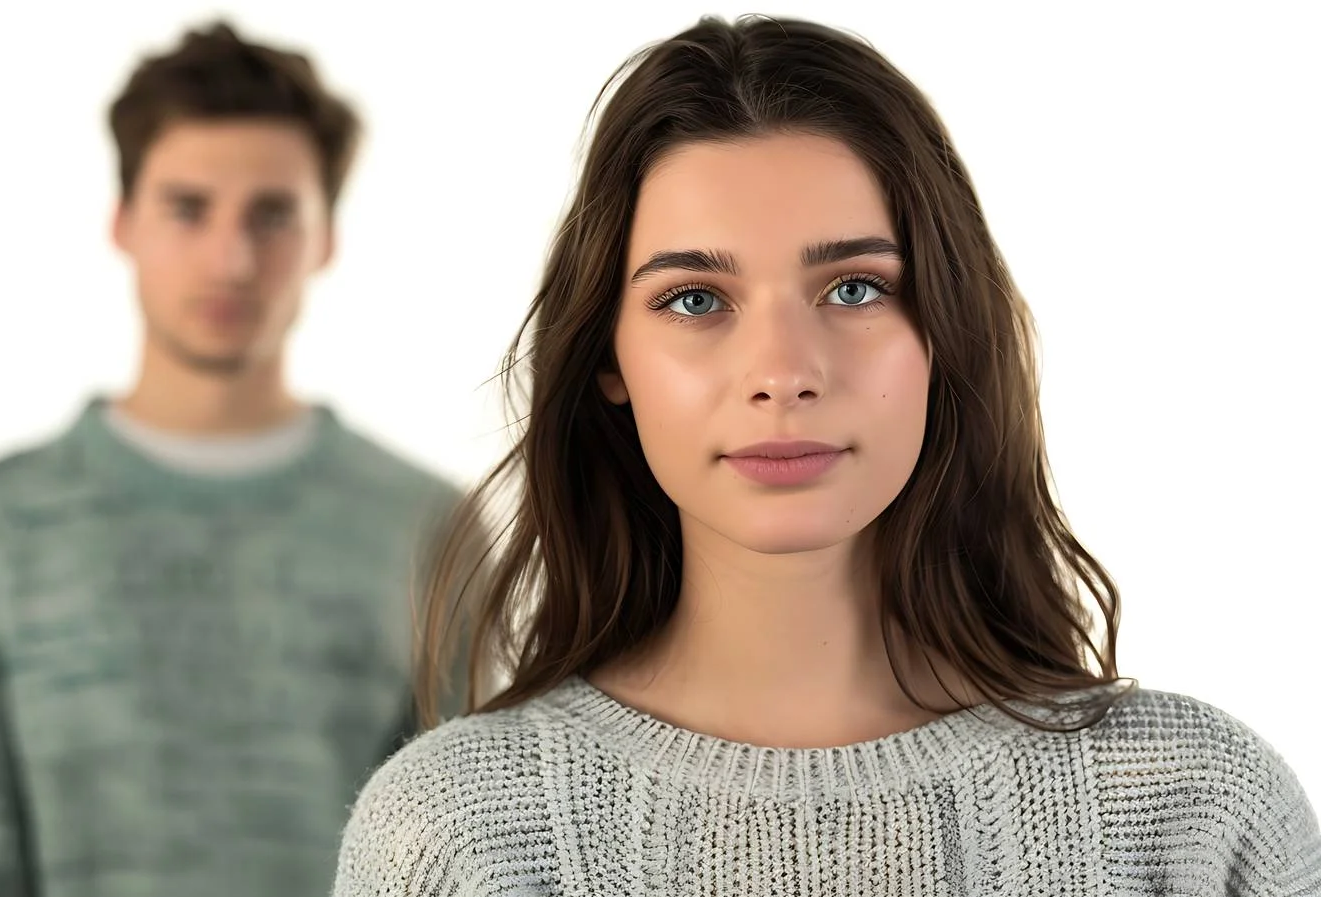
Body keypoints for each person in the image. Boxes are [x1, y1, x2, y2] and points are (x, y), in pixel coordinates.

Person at [330, 15, 1321, 894]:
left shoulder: (1196, 810)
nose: (782, 372)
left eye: (853, 288)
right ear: (607, 361)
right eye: (695, 299)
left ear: (946, 331)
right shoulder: (456, 833)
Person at [0, 21, 462, 897]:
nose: (231, 258)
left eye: (273, 215)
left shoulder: (430, 533)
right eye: (188, 208)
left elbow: (454, 858)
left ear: (327, 238)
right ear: (122, 223)